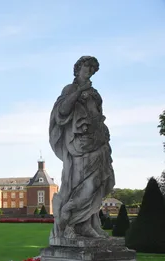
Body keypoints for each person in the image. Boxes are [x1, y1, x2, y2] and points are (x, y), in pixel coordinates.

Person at [49, 56, 114, 239]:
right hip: (80, 145)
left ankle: (88, 224)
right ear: (78, 69)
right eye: (87, 67)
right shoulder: (70, 89)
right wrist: (79, 92)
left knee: (98, 184)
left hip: (98, 141)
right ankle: (69, 222)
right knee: (83, 185)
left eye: (92, 69)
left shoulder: (94, 93)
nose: (90, 71)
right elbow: (62, 112)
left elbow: (98, 116)